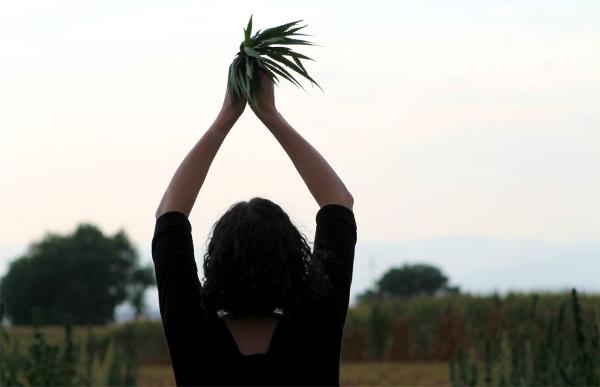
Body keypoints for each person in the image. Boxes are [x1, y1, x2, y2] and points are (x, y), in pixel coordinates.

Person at [152, 69, 357, 386]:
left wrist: (225, 117)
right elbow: (338, 201)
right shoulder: (316, 323)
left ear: (216, 264)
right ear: (293, 260)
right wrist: (270, 114)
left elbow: (169, 212)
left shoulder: (191, 330)